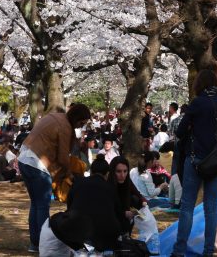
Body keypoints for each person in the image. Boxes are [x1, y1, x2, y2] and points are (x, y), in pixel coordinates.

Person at [172, 67, 217, 257]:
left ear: (200, 84)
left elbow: (180, 131)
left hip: (196, 160)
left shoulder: (197, 103)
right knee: (211, 208)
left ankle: (179, 250)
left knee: (187, 206)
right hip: (215, 161)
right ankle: (209, 251)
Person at [18, 102, 92, 253]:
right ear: (77, 118)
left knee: (36, 204)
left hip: (24, 159)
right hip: (37, 164)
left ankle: (35, 243)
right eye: (81, 123)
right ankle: (42, 244)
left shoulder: (56, 116)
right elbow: (64, 157)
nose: (80, 126)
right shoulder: (65, 127)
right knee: (42, 205)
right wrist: (70, 173)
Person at [38, 157, 124, 256]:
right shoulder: (110, 188)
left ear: (91, 171)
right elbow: (118, 214)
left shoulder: (79, 183)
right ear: (107, 174)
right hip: (105, 237)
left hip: (78, 230)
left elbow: (70, 208)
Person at [109, 156, 147, 231]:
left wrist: (143, 201)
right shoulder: (108, 185)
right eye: (118, 171)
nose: (122, 175)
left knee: (135, 199)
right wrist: (123, 213)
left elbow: (137, 193)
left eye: (125, 171)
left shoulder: (127, 181)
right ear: (113, 171)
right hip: (111, 220)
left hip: (126, 216)